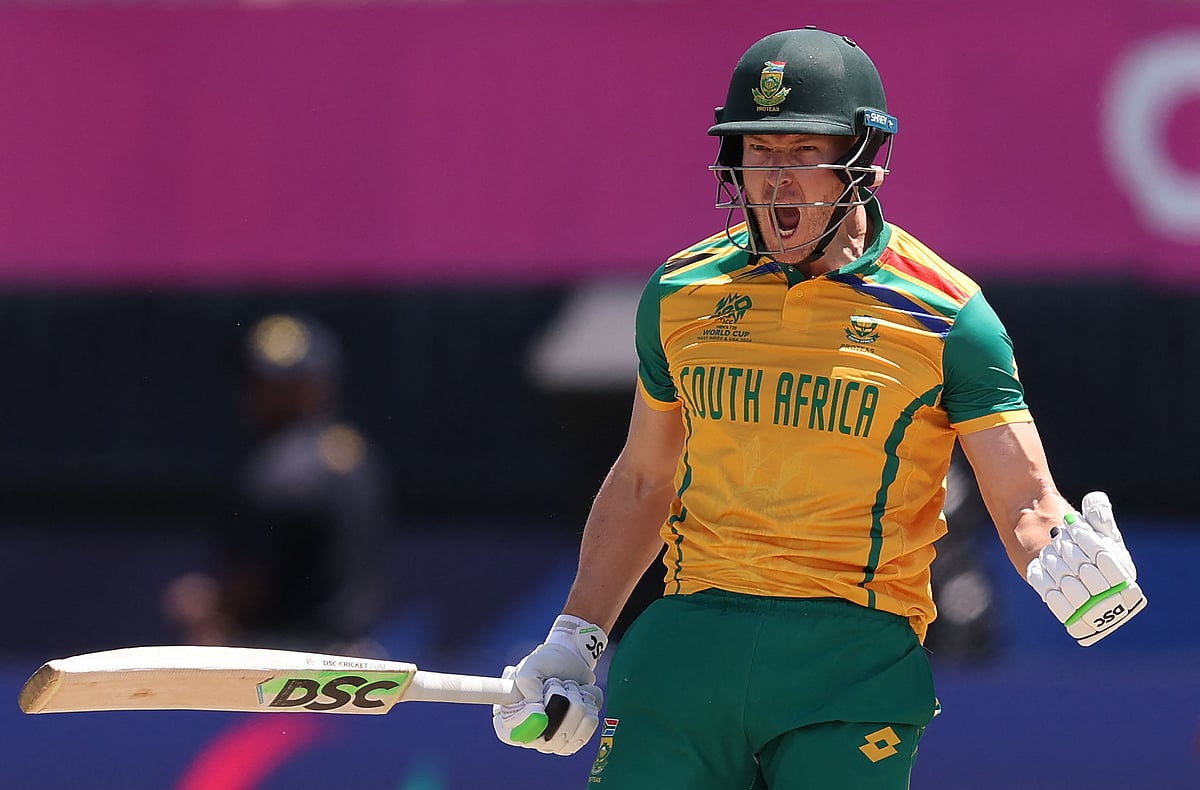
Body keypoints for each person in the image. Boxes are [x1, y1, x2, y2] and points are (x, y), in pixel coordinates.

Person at [490, 27, 1147, 788]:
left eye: (804, 153)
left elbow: (1026, 503)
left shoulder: (948, 315)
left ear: (862, 160)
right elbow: (643, 481)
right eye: (759, 151)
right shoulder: (680, 293)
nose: (775, 180)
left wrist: (1081, 569)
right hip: (687, 644)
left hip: (851, 662)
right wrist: (576, 638)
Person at [163, 312, 392, 656]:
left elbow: (250, 586)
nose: (260, 395)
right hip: (352, 663)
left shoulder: (278, 469)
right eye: (258, 382)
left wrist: (208, 605)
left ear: (317, 384)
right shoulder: (357, 454)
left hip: (283, 670)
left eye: (282, 385)